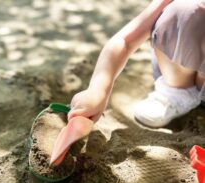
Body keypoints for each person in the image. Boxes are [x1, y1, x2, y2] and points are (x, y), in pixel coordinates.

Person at [68, 0, 205, 128]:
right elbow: (125, 41)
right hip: (179, 71)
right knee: (185, 10)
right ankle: (178, 92)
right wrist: (97, 91)